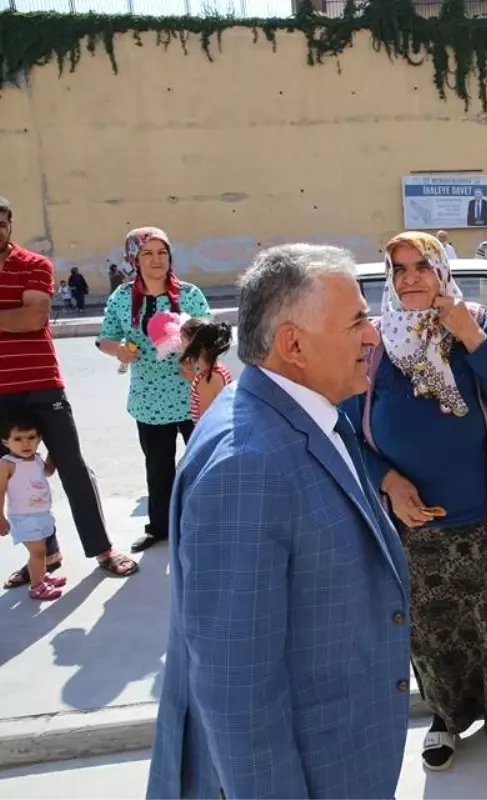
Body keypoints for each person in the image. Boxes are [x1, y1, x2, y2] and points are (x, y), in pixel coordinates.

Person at [146, 244, 412, 800]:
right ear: (293, 343)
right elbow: (236, 692)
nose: (374, 336)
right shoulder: (247, 466)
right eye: (358, 321)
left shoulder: (301, 407)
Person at [341, 232, 487, 772]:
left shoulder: (471, 323)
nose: (410, 277)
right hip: (416, 523)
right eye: (400, 268)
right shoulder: (373, 342)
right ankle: (447, 714)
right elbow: (343, 429)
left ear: (441, 272)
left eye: (421, 266)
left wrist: (469, 336)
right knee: (437, 627)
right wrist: (387, 480)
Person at [0, 196, 138, 586]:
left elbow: (33, 317)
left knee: (72, 467)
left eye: (1, 223)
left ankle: (103, 550)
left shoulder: (33, 265)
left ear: (10, 224)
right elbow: (19, 315)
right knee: (14, 476)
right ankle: (45, 556)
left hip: (42, 383)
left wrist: (17, 317)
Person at [96, 227, 211, 553]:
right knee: (158, 467)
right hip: (149, 401)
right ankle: (159, 527)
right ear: (134, 258)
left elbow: (209, 334)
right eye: (148, 253)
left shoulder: (189, 294)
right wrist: (119, 350)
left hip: (193, 396)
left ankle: (207, 522)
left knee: (202, 463)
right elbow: (105, 337)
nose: (156, 259)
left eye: (162, 252)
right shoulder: (121, 299)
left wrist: (194, 355)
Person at [0, 413, 68, 601]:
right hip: (23, 517)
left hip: (41, 513)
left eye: (31, 437)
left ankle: (41, 576)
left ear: (38, 439)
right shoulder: (7, 464)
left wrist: (54, 451)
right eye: (18, 439)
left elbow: (48, 471)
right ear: (6, 442)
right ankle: (37, 587)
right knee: (37, 552)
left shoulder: (36, 459)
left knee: (41, 551)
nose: (26, 444)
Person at [178, 317, 233, 422]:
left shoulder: (207, 379)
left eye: (182, 339)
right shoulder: (218, 371)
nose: (179, 343)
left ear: (194, 343)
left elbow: (206, 423)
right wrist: (193, 378)